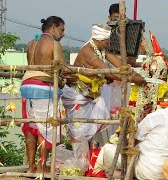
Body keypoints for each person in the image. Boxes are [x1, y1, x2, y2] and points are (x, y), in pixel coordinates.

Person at [61, 23, 146, 144]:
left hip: (90, 96)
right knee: (80, 133)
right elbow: (108, 73)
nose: (109, 43)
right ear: (101, 40)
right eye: (108, 40)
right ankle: (79, 160)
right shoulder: (89, 52)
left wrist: (133, 74)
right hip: (77, 95)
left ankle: (87, 156)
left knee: (88, 129)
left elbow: (119, 65)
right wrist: (132, 79)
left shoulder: (101, 49)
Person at [94, 90, 168, 179]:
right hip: (167, 172)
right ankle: (116, 174)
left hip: (147, 169)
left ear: (162, 104)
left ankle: (95, 174)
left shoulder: (154, 116)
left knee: (107, 149)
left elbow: (134, 140)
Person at [21, 16, 66, 173]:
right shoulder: (54, 44)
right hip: (43, 88)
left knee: (31, 127)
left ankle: (31, 166)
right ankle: (41, 165)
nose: (63, 34)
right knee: (45, 128)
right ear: (53, 28)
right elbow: (64, 69)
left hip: (26, 87)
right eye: (62, 29)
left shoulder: (31, 43)